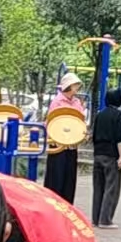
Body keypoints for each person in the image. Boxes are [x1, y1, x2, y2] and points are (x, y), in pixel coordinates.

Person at [44, 72, 86, 204]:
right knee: (56, 177)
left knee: (69, 178)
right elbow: (51, 121)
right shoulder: (57, 101)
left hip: (72, 144)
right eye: (75, 85)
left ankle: (68, 204)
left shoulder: (77, 102)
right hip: (58, 144)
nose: (77, 87)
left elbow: (81, 120)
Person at [91, 89, 121, 227]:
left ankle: (95, 218)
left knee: (98, 187)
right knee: (111, 187)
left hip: (98, 154)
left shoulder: (99, 115)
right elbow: (120, 137)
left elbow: (94, 136)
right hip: (111, 155)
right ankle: (105, 220)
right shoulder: (119, 115)